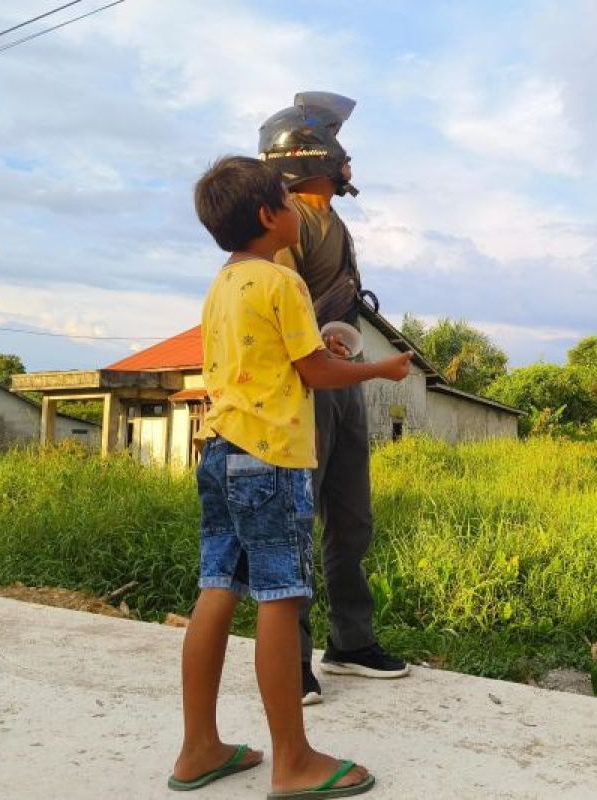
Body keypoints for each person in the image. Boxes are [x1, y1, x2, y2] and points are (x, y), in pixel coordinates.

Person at [169, 155, 411, 797]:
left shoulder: (223, 284)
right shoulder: (284, 282)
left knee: (217, 588)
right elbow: (316, 375)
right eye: (286, 197)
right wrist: (379, 370)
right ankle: (294, 761)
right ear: (269, 216)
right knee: (281, 599)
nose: (297, 211)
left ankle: (198, 748)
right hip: (270, 459)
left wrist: (320, 354)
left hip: (221, 452)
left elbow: (279, 356)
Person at [259, 92, 409, 707]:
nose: (349, 160)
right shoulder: (285, 216)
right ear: (309, 153)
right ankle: (290, 663)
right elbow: (281, 305)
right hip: (303, 386)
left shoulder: (334, 220)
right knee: (297, 519)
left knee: (352, 518)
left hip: (341, 380)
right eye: (338, 146)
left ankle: (350, 642)